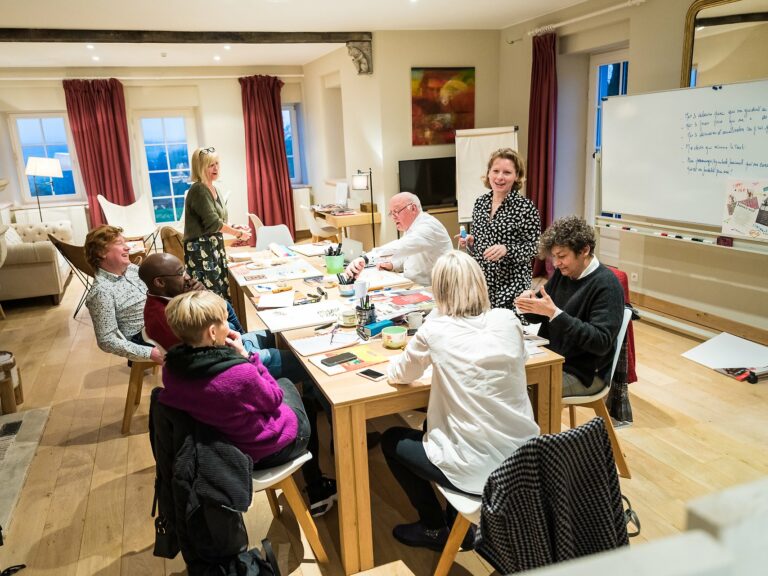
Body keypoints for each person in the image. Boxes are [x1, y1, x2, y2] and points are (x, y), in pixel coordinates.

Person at [381, 250, 539, 550]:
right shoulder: (508, 320)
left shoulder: (435, 329)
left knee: (391, 439)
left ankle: (433, 527)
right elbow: (522, 359)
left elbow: (400, 374)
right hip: (526, 461)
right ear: (480, 282)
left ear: (438, 291)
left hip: (476, 471)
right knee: (437, 424)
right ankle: (455, 522)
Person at [160, 290, 337, 516]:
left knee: (299, 398)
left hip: (221, 449)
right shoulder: (238, 374)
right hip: (260, 451)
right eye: (224, 321)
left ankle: (316, 485)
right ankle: (316, 487)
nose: (228, 325)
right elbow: (274, 398)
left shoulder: (171, 370)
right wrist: (246, 356)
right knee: (290, 387)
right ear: (213, 332)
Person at [138, 252, 308, 383]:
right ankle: (311, 397)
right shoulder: (165, 316)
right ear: (160, 282)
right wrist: (244, 353)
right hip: (232, 360)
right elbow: (208, 352)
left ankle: (309, 394)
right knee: (304, 361)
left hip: (231, 345)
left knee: (288, 335)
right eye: (181, 273)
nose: (188, 277)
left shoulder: (167, 300)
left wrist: (203, 295)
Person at [514, 215, 625, 397]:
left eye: (562, 256)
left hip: (584, 373)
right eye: (554, 256)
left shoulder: (607, 285)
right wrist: (528, 303)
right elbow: (541, 313)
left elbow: (600, 342)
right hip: (553, 358)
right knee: (507, 379)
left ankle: (543, 416)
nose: (556, 263)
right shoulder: (563, 273)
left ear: (584, 250)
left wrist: (555, 314)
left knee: (521, 392)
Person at [458, 148, 541, 310]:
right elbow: (479, 243)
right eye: (495, 171)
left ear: (517, 176)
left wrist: (507, 249)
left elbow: (536, 247)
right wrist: (471, 242)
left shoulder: (526, 207)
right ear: (488, 173)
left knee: (506, 324)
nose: (500, 177)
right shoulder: (480, 203)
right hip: (481, 283)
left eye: (507, 172)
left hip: (512, 286)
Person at [84, 225, 163, 365]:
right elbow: (106, 340)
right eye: (120, 243)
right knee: (198, 341)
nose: (127, 248)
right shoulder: (102, 291)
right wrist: (149, 353)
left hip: (160, 322)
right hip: (142, 338)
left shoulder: (131, 269)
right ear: (101, 252)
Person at [183, 146, 251, 300]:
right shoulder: (199, 189)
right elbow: (213, 224)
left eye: (217, 164)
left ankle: (226, 315)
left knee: (221, 288)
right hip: (200, 249)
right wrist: (238, 234)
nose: (216, 168)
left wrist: (234, 226)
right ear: (200, 168)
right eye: (210, 165)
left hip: (214, 245)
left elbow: (219, 220)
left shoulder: (215, 188)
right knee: (210, 295)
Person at [344, 192, 452, 286]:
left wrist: (366, 258)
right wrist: (392, 265)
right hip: (413, 284)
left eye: (396, 211)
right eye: (391, 213)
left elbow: (401, 247)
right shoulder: (411, 226)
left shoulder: (428, 227)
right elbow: (408, 255)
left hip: (433, 289)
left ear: (413, 208)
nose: (393, 217)